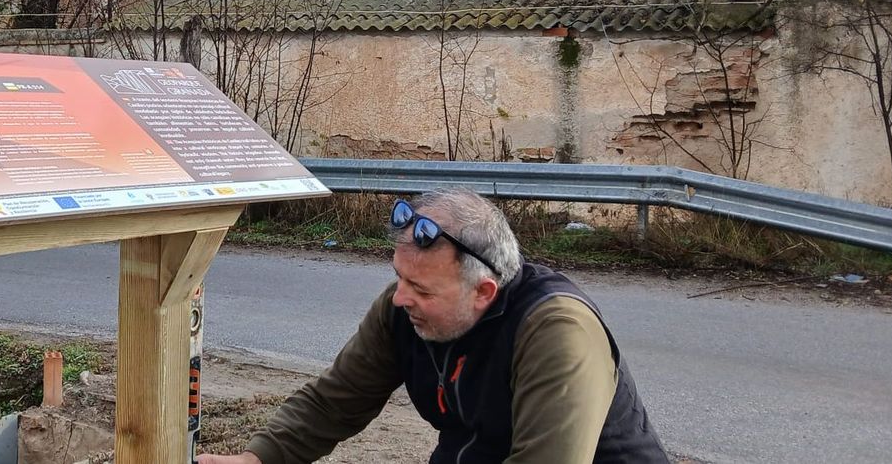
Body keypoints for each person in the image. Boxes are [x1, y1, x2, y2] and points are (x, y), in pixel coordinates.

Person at [198, 188, 669, 464]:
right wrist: (259, 457)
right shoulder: (402, 308)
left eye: (422, 290)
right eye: (400, 278)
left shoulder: (556, 331)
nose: (402, 297)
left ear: (483, 291)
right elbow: (337, 399)